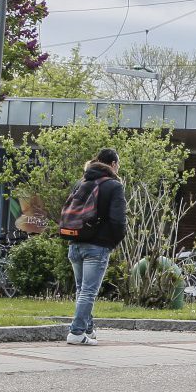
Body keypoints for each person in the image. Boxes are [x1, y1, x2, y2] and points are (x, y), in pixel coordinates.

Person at [66, 148, 127, 345]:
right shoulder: (113, 186)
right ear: (113, 164)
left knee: (81, 289)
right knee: (88, 291)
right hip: (97, 246)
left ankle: (88, 330)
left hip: (75, 243)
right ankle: (76, 333)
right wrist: (112, 242)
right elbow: (118, 221)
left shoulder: (82, 181)